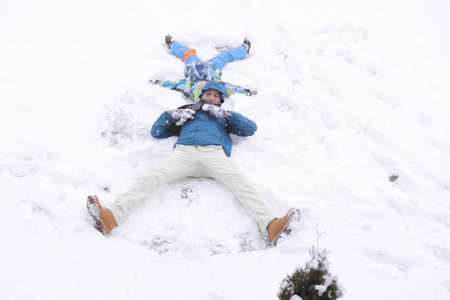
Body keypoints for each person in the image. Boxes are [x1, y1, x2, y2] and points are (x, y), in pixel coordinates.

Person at [86, 81, 300, 246]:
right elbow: (156, 132)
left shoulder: (223, 116)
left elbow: (250, 129)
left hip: (214, 154)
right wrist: (171, 114)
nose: (212, 97)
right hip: (185, 153)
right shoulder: (187, 110)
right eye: (209, 93)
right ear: (202, 94)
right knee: (152, 177)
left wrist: (226, 114)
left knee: (241, 184)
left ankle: (271, 226)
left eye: (217, 96)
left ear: (221, 100)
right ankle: (110, 218)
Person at [149, 35, 257, 102]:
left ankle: (173, 43)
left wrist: (158, 82)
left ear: (200, 94)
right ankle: (244, 49)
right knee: (225, 56)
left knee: (187, 53)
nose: (211, 95)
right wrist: (246, 91)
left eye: (208, 94)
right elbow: (233, 88)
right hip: (213, 66)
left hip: (193, 66)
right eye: (215, 95)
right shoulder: (219, 87)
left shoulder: (188, 87)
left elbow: (173, 84)